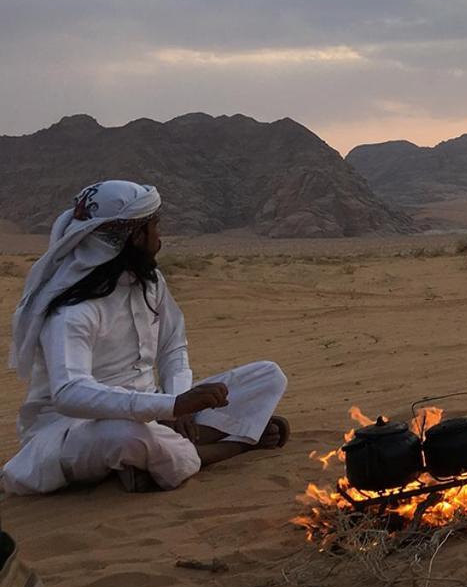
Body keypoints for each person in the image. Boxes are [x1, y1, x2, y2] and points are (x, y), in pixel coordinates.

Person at [3, 180, 289, 494]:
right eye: (154, 227)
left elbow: (173, 344)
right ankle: (238, 445)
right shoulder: (74, 311)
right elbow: (70, 393)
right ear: (135, 237)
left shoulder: (150, 283)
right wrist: (169, 406)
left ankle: (163, 450)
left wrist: (181, 406)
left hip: (157, 413)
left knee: (268, 376)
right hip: (74, 431)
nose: (160, 239)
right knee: (127, 436)